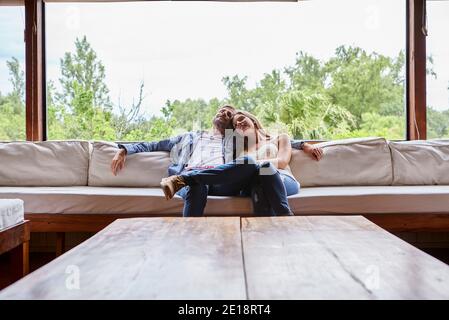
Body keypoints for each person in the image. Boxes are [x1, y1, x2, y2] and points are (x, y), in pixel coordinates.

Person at [231, 110, 323, 215]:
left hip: (282, 178)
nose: (239, 124)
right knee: (258, 187)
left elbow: (282, 162)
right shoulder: (241, 151)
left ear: (253, 121)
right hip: (254, 183)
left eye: (241, 119)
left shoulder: (280, 138)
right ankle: (284, 217)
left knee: (265, 170)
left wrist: (250, 166)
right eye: (235, 125)